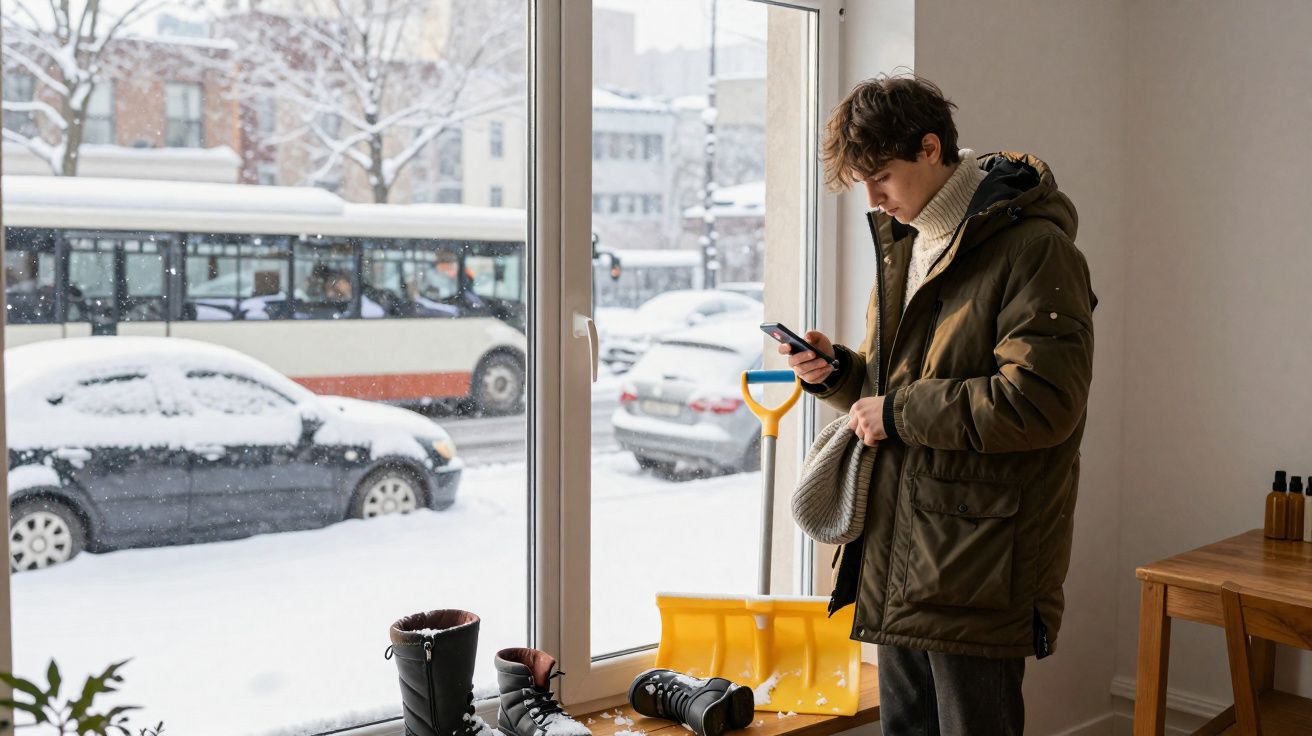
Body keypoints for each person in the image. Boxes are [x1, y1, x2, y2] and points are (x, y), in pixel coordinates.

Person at [782, 74, 1096, 736]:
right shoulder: (909, 243)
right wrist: (836, 372)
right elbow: (895, 388)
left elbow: (1042, 403)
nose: (872, 199)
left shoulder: (1035, 249)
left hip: (979, 563)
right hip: (900, 551)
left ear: (930, 149)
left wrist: (896, 412)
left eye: (882, 176)